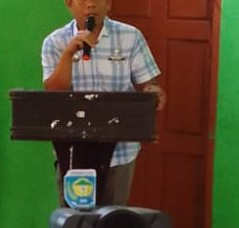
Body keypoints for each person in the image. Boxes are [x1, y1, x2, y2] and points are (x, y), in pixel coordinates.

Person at [42, 0, 166, 207]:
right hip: (72, 151)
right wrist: (68, 54)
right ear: (69, 4)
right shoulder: (54, 42)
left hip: (120, 151)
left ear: (108, 4)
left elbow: (149, 84)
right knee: (74, 221)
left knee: (112, 220)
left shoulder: (130, 37)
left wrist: (153, 92)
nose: (90, 5)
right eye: (82, 0)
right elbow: (54, 92)